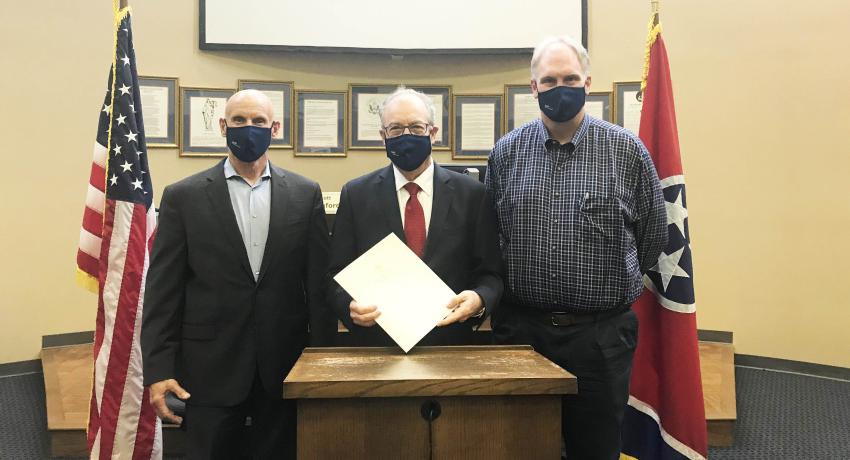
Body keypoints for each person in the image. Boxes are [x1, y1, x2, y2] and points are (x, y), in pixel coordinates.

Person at [485, 36, 667, 460]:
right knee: (517, 445)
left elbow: (653, 236)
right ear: (533, 88)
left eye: (569, 78)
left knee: (596, 449)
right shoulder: (507, 153)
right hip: (522, 333)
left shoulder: (626, 151)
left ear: (587, 83)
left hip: (599, 337)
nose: (559, 88)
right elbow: (492, 235)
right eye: (549, 80)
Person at [141, 89, 333, 459]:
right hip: (209, 370)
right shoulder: (184, 196)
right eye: (240, 121)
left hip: (283, 367)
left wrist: (320, 362)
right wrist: (159, 369)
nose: (249, 129)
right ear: (222, 126)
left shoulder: (304, 194)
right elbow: (163, 292)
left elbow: (318, 286)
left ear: (275, 128)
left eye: (259, 122)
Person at [328, 87, 503, 346]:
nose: (406, 136)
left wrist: (479, 300)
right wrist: (349, 305)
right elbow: (335, 274)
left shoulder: (473, 195)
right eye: (396, 129)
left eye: (416, 128)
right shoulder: (356, 195)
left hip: (453, 343)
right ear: (382, 136)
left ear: (433, 133)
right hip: (378, 345)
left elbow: (492, 274)